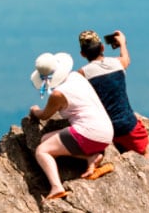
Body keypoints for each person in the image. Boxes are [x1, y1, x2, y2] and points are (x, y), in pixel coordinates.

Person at [29, 52, 114, 200]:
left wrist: (34, 111)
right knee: (45, 139)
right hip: (106, 132)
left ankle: (56, 187)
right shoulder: (76, 76)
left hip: (87, 133)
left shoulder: (58, 94)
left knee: (42, 151)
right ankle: (91, 156)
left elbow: (44, 115)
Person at [77, 29, 149, 165]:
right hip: (128, 125)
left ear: (83, 54)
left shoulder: (82, 74)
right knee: (145, 154)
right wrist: (122, 44)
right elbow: (126, 59)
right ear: (102, 47)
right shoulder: (117, 63)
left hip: (104, 129)